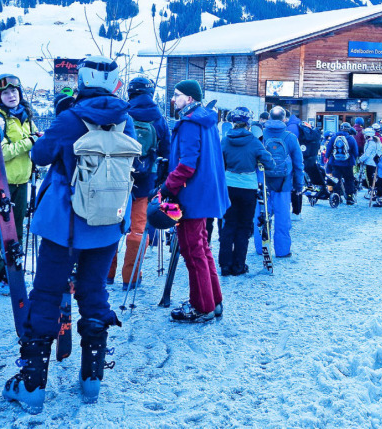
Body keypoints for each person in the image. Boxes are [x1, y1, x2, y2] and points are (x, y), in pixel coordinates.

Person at [2, 55, 137, 410]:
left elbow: (42, 155)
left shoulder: (69, 118)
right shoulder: (127, 121)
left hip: (66, 225)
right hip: (109, 223)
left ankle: (32, 385)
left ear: (82, 80)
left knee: (46, 293)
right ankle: (91, 381)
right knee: (94, 292)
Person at [159, 79, 229, 322]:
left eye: (177, 95)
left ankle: (202, 306)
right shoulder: (206, 120)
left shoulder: (190, 123)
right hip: (205, 194)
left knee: (193, 251)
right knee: (202, 248)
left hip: (191, 196)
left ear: (189, 98)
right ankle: (213, 301)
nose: (173, 99)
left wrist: (168, 186)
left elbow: (187, 164)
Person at [108, 76, 170, 289]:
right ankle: (131, 277)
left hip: (119, 178)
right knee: (138, 229)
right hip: (146, 181)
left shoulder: (122, 113)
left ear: (131, 93)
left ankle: (107, 273)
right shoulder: (158, 118)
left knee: (112, 225)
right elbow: (166, 152)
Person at [0, 74, 41, 294]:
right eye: (6, 92)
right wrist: (31, 141)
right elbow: (1, 152)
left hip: (21, 182)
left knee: (15, 231)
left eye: (14, 91)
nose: (11, 95)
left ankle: (12, 271)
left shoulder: (26, 117)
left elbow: (29, 147)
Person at [219, 107, 274, 276]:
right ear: (248, 123)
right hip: (248, 188)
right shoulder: (254, 141)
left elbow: (219, 163)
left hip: (228, 187)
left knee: (228, 225)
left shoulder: (225, 140)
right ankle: (238, 266)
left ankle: (225, 266)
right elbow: (269, 163)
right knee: (244, 227)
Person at [259, 106, 304, 256]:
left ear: (270, 117)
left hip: (263, 182)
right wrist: (299, 185)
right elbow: (298, 164)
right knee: (282, 218)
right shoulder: (290, 137)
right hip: (284, 183)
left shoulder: (261, 135)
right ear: (284, 119)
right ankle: (282, 251)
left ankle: (261, 248)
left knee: (262, 215)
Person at [324, 122, 358, 205]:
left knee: (336, 180)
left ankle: (337, 196)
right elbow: (356, 153)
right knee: (349, 180)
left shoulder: (333, 138)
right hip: (348, 163)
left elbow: (328, 151)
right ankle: (349, 197)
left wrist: (327, 158)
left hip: (335, 163)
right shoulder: (351, 139)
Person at [358, 127, 382, 196]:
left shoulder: (371, 143)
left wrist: (360, 159)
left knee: (370, 177)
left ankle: (373, 191)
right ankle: (374, 190)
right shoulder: (377, 141)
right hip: (375, 162)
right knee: (373, 177)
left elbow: (367, 154)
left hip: (370, 162)